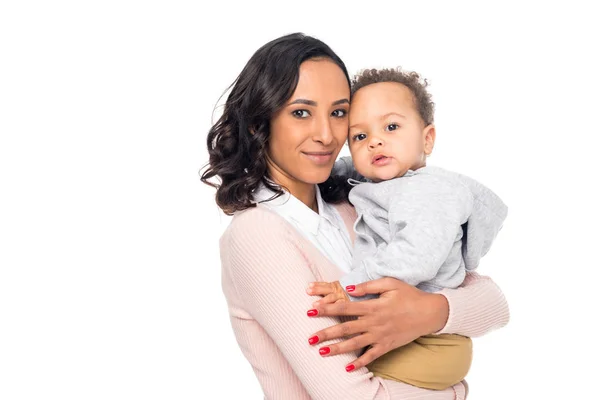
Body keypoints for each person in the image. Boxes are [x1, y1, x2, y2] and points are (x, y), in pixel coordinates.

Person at [201, 32, 509, 399]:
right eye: (301, 112)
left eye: (339, 113)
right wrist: (455, 391)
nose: (326, 135)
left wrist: (428, 312)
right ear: (258, 124)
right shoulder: (257, 236)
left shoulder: (357, 202)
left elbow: (494, 303)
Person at [311, 67, 508, 390]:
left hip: (429, 343)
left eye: (391, 127)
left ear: (427, 139)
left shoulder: (428, 193)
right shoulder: (389, 183)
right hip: (418, 336)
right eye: (360, 136)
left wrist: (348, 287)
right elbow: (348, 171)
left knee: (341, 365)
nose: (375, 141)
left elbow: (416, 258)